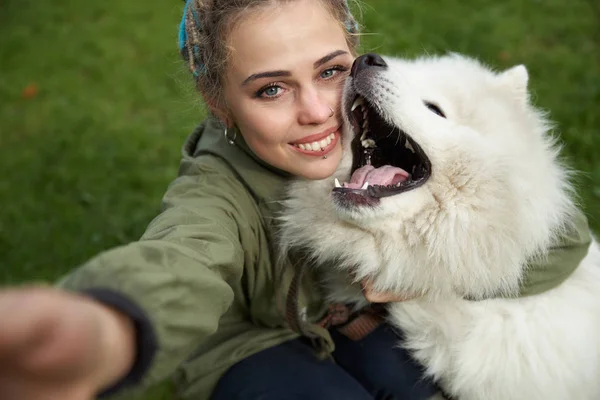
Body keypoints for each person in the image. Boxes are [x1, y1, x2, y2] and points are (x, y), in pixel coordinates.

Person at [0, 0, 440, 399]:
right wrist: (110, 328)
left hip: (349, 315)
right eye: (271, 89)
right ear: (219, 102)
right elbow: (185, 259)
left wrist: (427, 269)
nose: (318, 111)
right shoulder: (215, 191)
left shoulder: (386, 119)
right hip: (248, 341)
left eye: (330, 72)